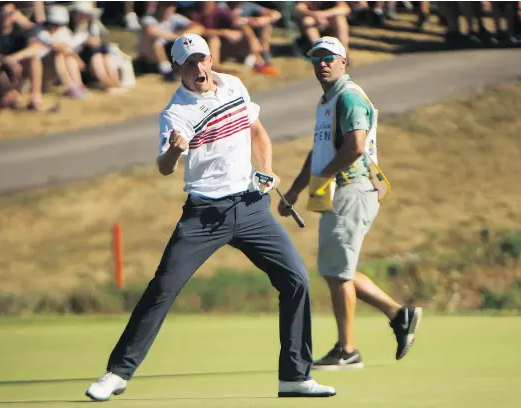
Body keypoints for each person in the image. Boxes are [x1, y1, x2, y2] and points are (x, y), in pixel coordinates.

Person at [85, 33, 336, 401]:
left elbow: (256, 130)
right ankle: (117, 373)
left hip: (251, 207)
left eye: (202, 59)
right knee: (162, 290)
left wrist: (266, 167)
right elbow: (165, 168)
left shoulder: (233, 84)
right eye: (189, 63)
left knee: (296, 280)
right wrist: (174, 151)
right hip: (203, 215)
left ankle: (295, 376)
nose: (199, 68)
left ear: (210, 59)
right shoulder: (176, 113)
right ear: (177, 69)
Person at [277, 36, 422, 370]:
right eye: (316, 58)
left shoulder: (348, 97)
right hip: (342, 190)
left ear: (344, 61)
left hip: (351, 188)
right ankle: (399, 315)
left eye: (329, 57)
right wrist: (298, 190)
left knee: (337, 272)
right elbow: (320, 151)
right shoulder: (328, 100)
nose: (322, 63)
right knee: (336, 269)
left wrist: (322, 178)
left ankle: (347, 351)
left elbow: (354, 147)